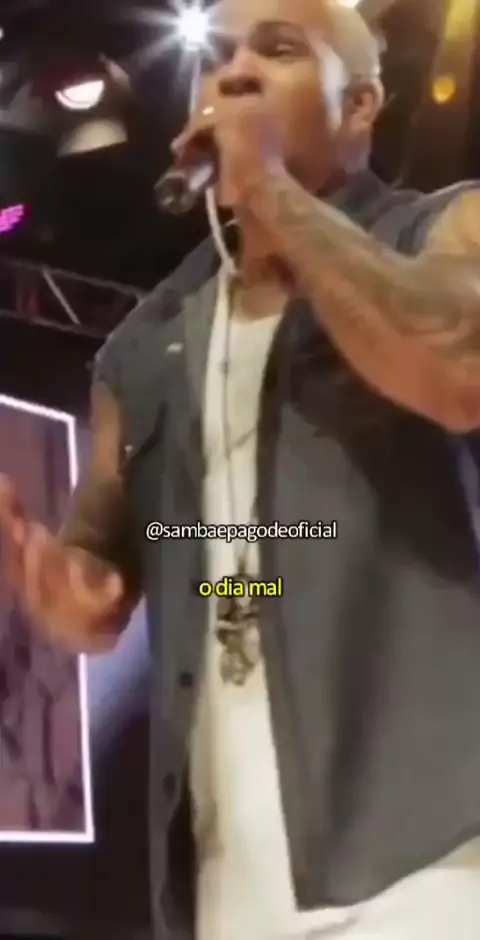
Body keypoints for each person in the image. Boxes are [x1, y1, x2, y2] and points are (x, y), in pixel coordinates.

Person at [2, 0, 480, 935]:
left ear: (360, 104)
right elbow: (118, 566)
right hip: (227, 878)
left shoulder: (442, 229)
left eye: (280, 50)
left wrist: (268, 188)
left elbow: (455, 372)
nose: (233, 73)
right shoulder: (144, 345)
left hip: (434, 851)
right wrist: (68, 584)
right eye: (216, 58)